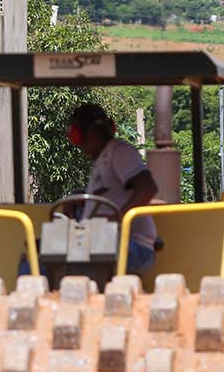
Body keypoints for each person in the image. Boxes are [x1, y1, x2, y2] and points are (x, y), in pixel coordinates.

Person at [67, 103, 159, 273]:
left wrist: (117, 221)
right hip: (106, 242)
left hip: (130, 246)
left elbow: (147, 187)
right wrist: (80, 197)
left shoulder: (119, 151)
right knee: (47, 253)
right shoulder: (105, 158)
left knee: (59, 260)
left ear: (80, 134)